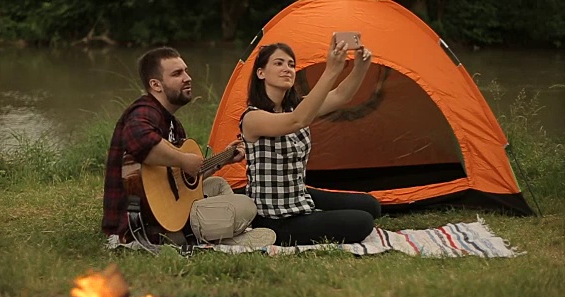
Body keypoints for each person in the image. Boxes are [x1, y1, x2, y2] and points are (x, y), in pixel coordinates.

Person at [102, 46, 275, 247]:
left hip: (167, 211)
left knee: (218, 184)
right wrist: (184, 160)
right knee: (246, 205)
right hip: (143, 222)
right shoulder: (144, 111)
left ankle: (221, 236)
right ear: (156, 85)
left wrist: (223, 160)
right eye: (177, 74)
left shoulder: (174, 125)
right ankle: (204, 237)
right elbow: (141, 142)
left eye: (186, 70)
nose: (188, 77)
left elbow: (182, 182)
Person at [239, 35, 381, 246]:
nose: (287, 68)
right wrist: (331, 70)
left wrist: (360, 67)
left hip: (297, 193)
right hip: (274, 218)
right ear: (261, 73)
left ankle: (311, 208)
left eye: (291, 64)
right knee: (363, 222)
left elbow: (341, 96)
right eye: (278, 63)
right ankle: (300, 222)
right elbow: (298, 120)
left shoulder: (296, 108)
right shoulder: (253, 118)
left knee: (371, 205)